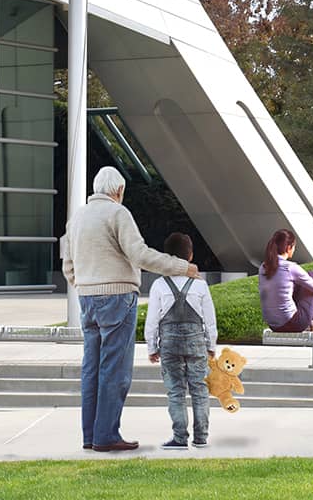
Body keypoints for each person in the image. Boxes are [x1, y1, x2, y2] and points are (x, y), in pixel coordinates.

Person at [61, 166, 200, 453]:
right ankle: (106, 436)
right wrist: (181, 267)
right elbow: (140, 254)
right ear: (119, 190)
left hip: (87, 299)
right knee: (115, 369)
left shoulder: (77, 217)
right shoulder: (117, 213)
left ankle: (91, 435)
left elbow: (67, 261)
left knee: (92, 368)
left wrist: (84, 285)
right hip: (117, 297)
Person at [145, 232, 218, 450]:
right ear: (191, 255)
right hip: (196, 342)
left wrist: (152, 346)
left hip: (169, 343)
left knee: (175, 390)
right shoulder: (200, 285)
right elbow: (210, 319)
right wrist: (211, 345)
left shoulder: (159, 284)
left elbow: (152, 321)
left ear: (166, 257)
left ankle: (179, 437)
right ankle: (201, 436)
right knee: (199, 389)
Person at [258, 228, 313, 332]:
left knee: (297, 284)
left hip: (273, 325)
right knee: (312, 275)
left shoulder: (263, 267)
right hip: (294, 323)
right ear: (289, 248)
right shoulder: (290, 267)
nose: (294, 249)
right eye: (294, 247)